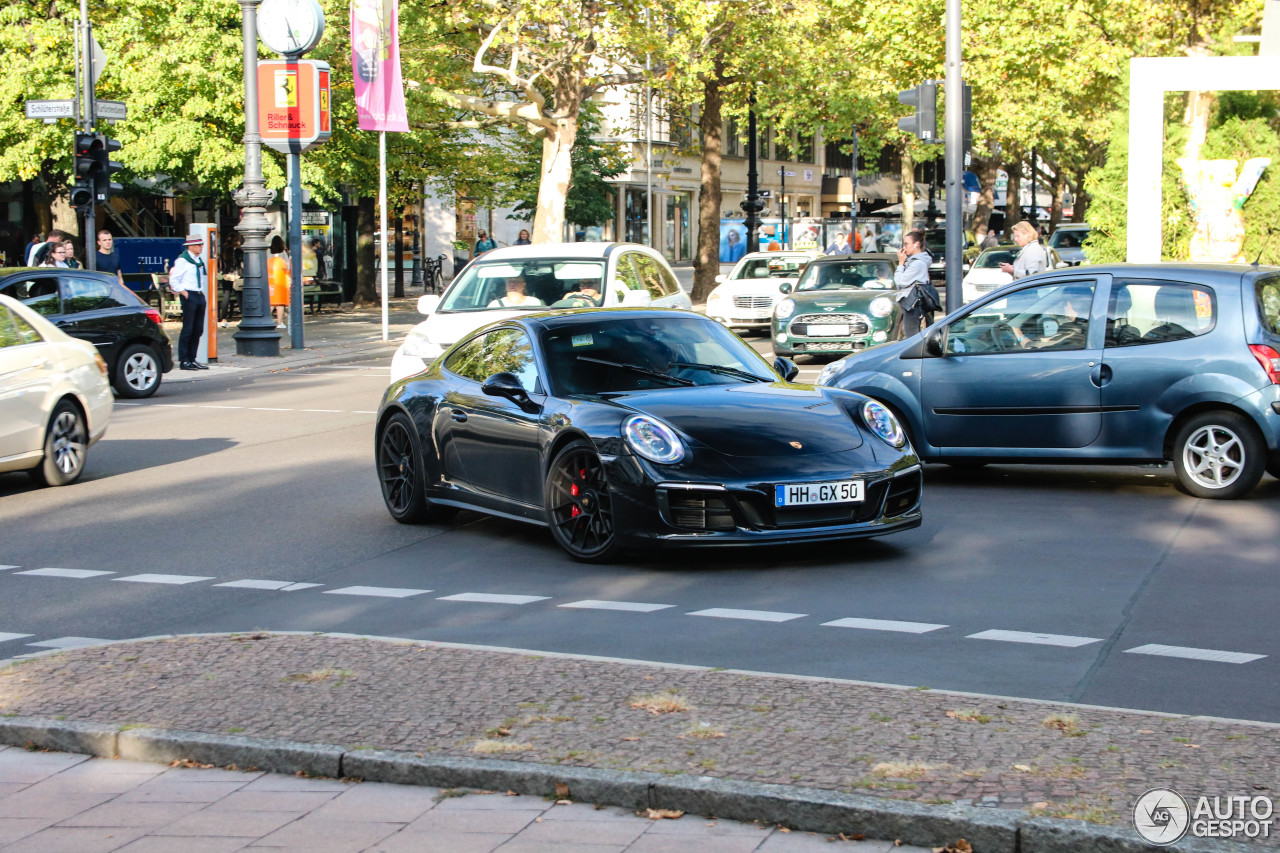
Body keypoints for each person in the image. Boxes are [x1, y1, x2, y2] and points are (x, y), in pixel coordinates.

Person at [170, 235, 209, 370]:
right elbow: (174, 280)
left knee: (198, 329)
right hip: (189, 294)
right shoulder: (183, 260)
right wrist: (184, 293)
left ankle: (193, 358)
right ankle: (184, 359)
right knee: (188, 328)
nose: (201, 247)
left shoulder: (198, 260)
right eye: (198, 245)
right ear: (190, 246)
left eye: (201, 244)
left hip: (198, 294)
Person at [893, 229, 933, 338]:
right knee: (911, 333)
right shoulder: (914, 262)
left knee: (911, 334)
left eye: (906, 244)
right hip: (912, 301)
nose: (904, 248)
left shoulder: (918, 264)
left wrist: (901, 263)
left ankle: (914, 354)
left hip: (912, 302)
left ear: (916, 244)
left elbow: (899, 282)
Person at [268, 235, 290, 329]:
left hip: (270, 279)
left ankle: (267, 320)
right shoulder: (283, 252)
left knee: (271, 302)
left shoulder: (268, 252)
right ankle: (280, 322)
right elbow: (287, 265)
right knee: (280, 303)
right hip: (280, 279)